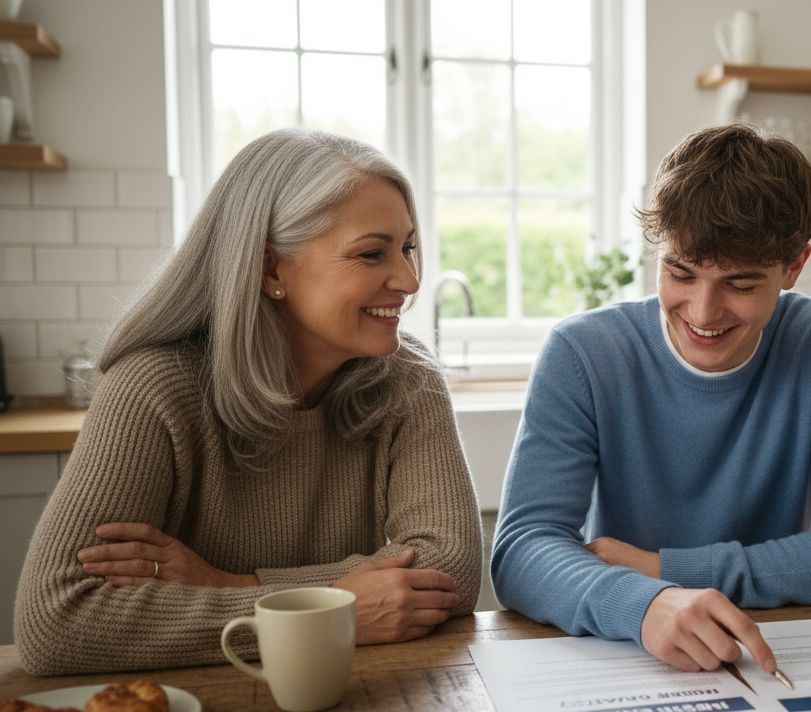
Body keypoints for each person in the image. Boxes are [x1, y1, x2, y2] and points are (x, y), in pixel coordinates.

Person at [15, 128, 482, 676]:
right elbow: (57, 621)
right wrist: (339, 608)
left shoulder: (409, 380)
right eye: (372, 253)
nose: (408, 279)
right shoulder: (152, 388)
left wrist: (234, 585)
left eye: (406, 248)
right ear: (269, 268)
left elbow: (449, 570)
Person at [491, 124, 811, 675]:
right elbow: (521, 549)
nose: (703, 312)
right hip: (624, 651)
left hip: (772, 651)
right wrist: (643, 603)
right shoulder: (583, 352)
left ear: (794, 266)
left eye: (740, 284)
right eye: (680, 272)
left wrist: (665, 569)